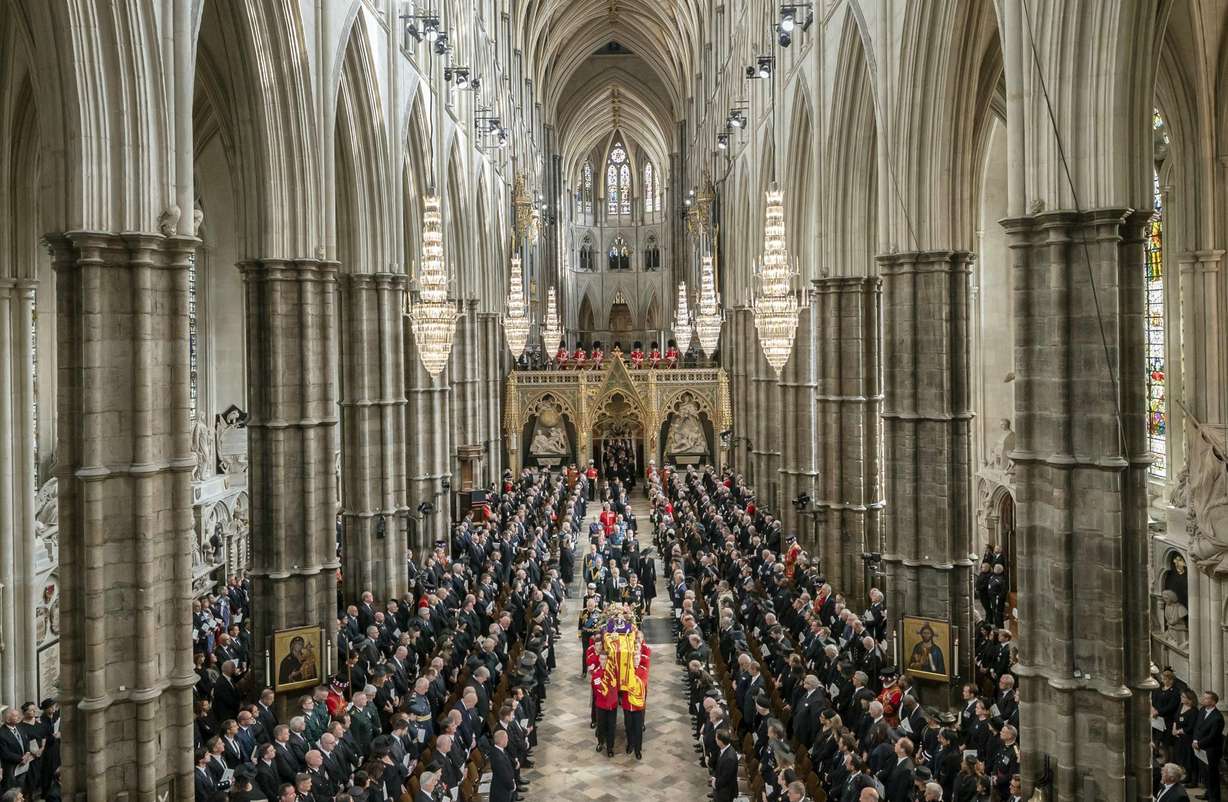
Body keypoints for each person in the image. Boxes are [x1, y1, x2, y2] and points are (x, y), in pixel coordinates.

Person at [1192, 691, 1224, 802]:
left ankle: (1214, 798)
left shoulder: (1217, 717)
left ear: (1213, 702)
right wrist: (1195, 740)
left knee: (1212, 775)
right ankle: (1208, 793)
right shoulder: (1202, 710)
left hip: (1211, 750)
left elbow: (1213, 737)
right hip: (1200, 748)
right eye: (1203, 697)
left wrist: (1199, 744)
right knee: (1204, 774)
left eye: (1206, 698)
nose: (1203, 699)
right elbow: (1197, 727)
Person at [488, 729, 517, 802]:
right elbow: (504, 775)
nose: (508, 740)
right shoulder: (498, 758)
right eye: (506, 738)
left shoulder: (498, 750)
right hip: (502, 792)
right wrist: (512, 786)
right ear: (502, 740)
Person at [712, 728, 739, 802]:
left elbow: (725, 778)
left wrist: (715, 784)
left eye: (716, 738)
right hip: (720, 787)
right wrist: (714, 777)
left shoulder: (730, 758)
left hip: (725, 793)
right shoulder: (723, 748)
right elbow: (719, 766)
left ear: (721, 741)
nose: (715, 739)